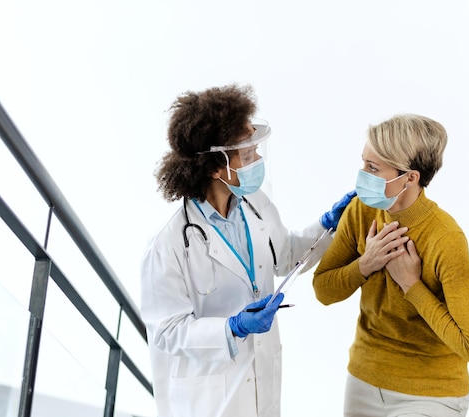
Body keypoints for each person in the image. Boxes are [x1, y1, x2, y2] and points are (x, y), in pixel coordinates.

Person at [140, 84, 355, 417]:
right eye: (248, 152)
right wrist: (233, 327)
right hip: (209, 399)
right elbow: (167, 332)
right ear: (215, 166)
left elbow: (285, 256)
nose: (257, 159)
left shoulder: (255, 205)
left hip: (261, 382)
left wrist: (327, 224)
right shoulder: (168, 246)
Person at [312, 114, 469, 417]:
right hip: (364, 382)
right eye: (363, 163)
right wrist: (366, 264)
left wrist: (412, 285)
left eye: (372, 168)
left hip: (430, 395)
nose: (361, 175)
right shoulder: (361, 211)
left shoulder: (445, 238)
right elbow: (323, 289)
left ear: (410, 177)